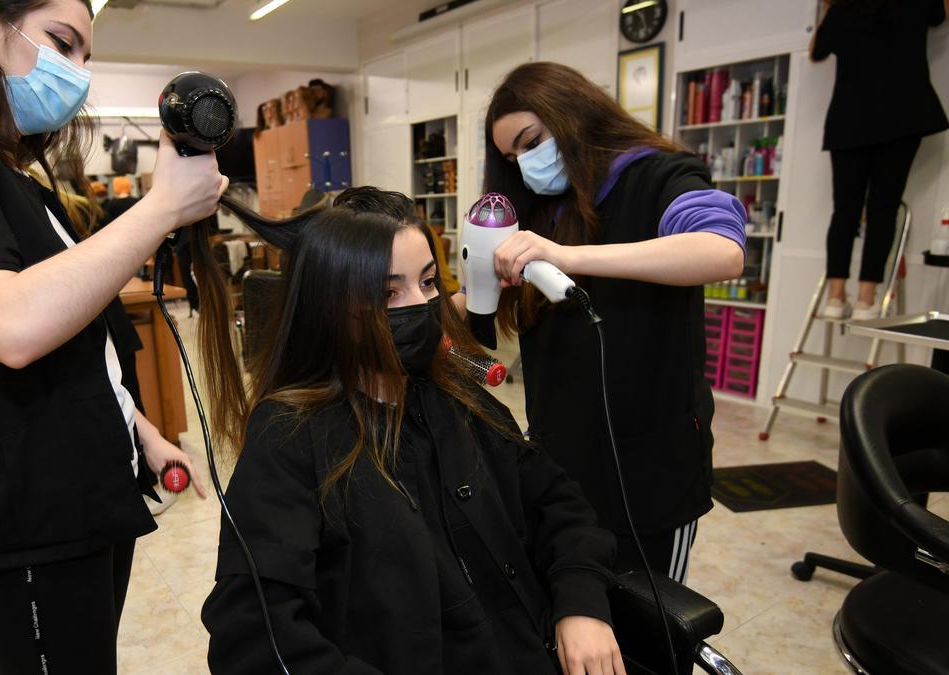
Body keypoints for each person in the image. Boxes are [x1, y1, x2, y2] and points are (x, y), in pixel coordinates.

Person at [0, 0, 223, 671]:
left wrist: (137, 424)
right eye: (63, 42)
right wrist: (162, 208)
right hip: (22, 510)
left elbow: (77, 332)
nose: (77, 73)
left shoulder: (18, 181)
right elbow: (11, 325)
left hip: (81, 486)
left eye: (86, 55)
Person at [200, 193, 625, 675]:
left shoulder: (456, 396)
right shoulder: (290, 437)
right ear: (329, 308)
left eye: (427, 282)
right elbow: (254, 636)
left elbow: (556, 503)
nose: (422, 306)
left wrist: (581, 602)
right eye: (388, 294)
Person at [482, 62, 746, 583]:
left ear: (573, 113)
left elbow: (721, 252)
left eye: (531, 141)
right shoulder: (544, 208)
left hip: (650, 466)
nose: (526, 164)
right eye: (513, 158)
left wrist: (570, 257)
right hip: (562, 461)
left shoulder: (660, 175)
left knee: (647, 632)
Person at [811, 0, 948, 320]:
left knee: (844, 210)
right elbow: (940, 15)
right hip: (901, 117)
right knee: (883, 208)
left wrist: (829, 9)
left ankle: (835, 296)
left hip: (849, 121)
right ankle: (865, 299)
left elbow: (816, 52)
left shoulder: (842, 9)